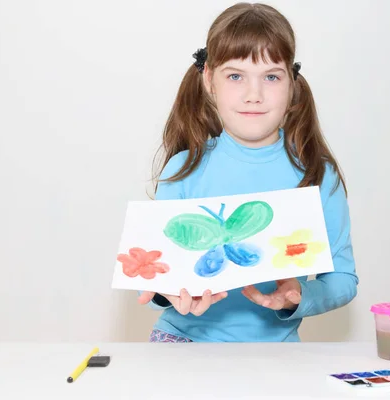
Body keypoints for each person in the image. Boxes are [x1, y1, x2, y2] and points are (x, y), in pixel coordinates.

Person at [138, 2, 358, 343]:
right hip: (183, 343)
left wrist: (300, 296)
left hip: (278, 354)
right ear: (210, 79)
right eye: (235, 76)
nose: (253, 95)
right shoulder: (183, 169)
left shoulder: (317, 174)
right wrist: (168, 294)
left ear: (291, 84)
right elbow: (159, 277)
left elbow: (342, 277)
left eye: (271, 76)